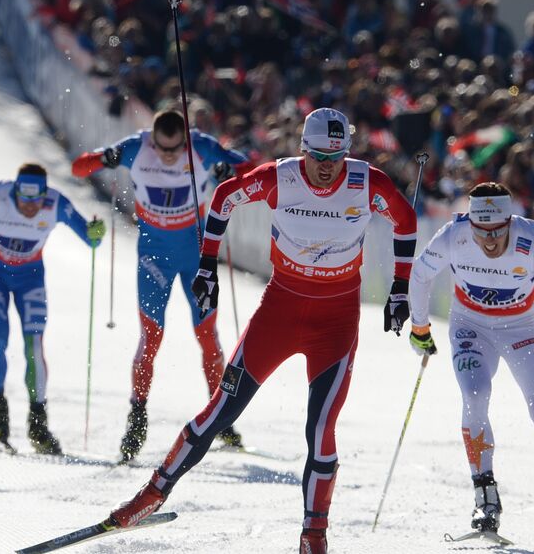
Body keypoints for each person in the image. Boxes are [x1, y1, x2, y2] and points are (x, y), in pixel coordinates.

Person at [104, 108, 417, 554]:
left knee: (322, 429)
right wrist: (208, 266)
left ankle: (314, 535)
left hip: (336, 322)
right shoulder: (281, 178)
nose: (328, 166)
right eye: (319, 155)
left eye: (337, 156)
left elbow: (405, 222)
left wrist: (400, 289)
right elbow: (225, 198)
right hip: (280, 311)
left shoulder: (367, 182)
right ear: (303, 149)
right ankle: (151, 495)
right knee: (220, 411)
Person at [405, 182, 534, 551]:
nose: (489, 240)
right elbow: (421, 274)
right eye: (480, 230)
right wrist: (420, 327)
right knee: (475, 394)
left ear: (509, 221)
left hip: (520, 330)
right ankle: (485, 498)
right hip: (470, 327)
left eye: (497, 230)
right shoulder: (454, 234)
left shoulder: (530, 240)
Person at [71, 109, 252, 462]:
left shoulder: (201, 146)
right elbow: (79, 168)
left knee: (207, 336)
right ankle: (137, 417)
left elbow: (253, 169)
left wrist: (230, 170)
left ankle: (221, 419)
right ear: (152, 139)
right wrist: (102, 158)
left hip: (196, 256)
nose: (168, 156)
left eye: (175, 150)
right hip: (154, 257)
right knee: (151, 338)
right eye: (162, 149)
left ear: (185, 140)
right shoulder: (135, 147)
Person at [0, 163, 106, 454]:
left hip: (30, 279)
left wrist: (97, 232)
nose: (30, 207)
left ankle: (38, 425)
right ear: (15, 192)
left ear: (44, 195)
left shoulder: (55, 203)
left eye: (36, 201)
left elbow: (90, 239)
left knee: (33, 346)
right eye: (24, 200)